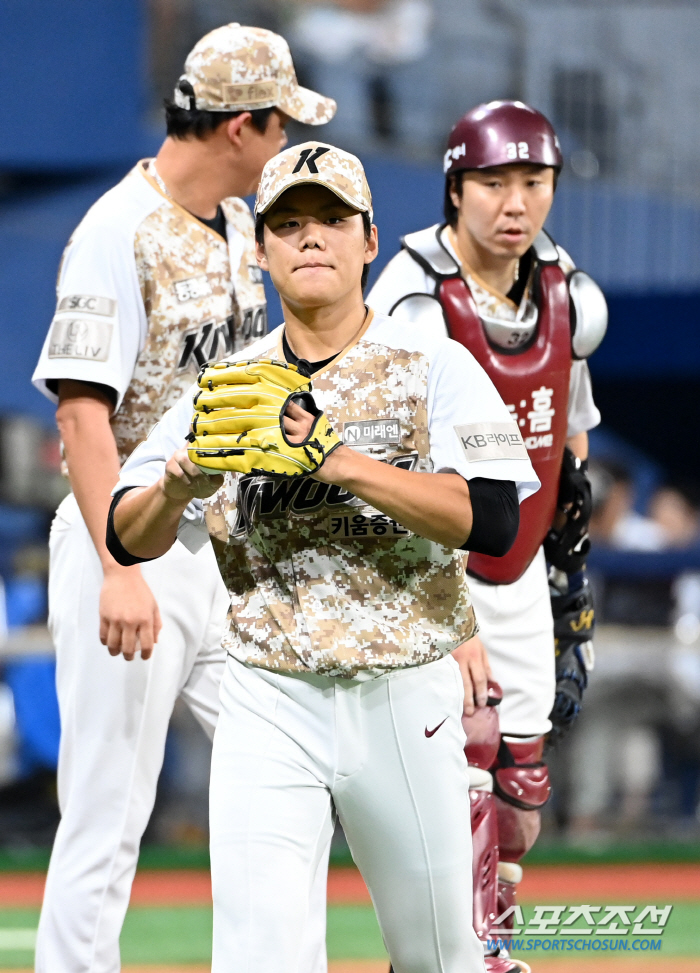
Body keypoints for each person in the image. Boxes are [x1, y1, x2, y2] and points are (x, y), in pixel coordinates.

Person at [108, 141, 540, 973]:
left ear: (369, 240)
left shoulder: (433, 366)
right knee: (257, 955)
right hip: (269, 698)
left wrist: (339, 460)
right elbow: (126, 535)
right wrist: (176, 484)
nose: (312, 238)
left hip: (403, 692)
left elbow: (492, 522)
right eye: (290, 224)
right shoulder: (226, 386)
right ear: (264, 250)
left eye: (332, 220)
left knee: (442, 956)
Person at [30, 24, 335, 973]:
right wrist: (119, 566)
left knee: (288, 783)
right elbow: (83, 416)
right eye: (279, 124)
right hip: (128, 541)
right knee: (108, 813)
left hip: (224, 554)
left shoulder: (246, 225)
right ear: (239, 126)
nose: (284, 144)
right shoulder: (117, 230)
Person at [368, 100, 607, 972]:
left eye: (533, 182)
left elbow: (569, 434)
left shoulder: (563, 287)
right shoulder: (409, 297)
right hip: (436, 570)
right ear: (456, 188)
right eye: (494, 183)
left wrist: (567, 563)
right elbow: (379, 460)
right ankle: (458, 955)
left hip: (520, 570)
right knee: (453, 777)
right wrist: (433, 598)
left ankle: (483, 941)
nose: (516, 202)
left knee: (520, 794)